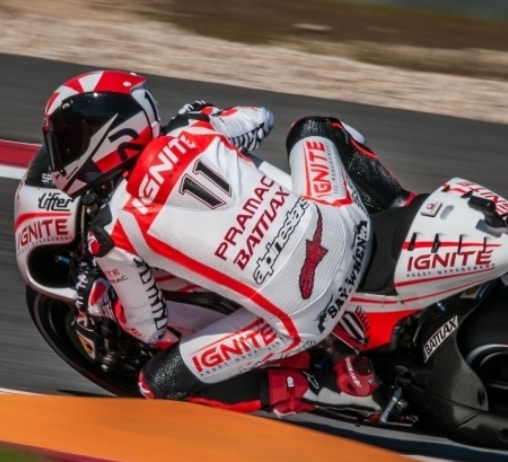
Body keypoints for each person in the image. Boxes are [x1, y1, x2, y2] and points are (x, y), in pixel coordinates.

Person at [41, 69, 415, 416]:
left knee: (156, 383)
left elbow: (149, 327)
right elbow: (260, 118)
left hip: (303, 316)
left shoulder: (110, 232)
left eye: (71, 141)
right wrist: (211, 119)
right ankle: (404, 209)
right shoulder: (192, 127)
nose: (64, 154)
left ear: (111, 135)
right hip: (346, 226)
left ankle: (324, 386)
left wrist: (103, 300)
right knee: (313, 128)